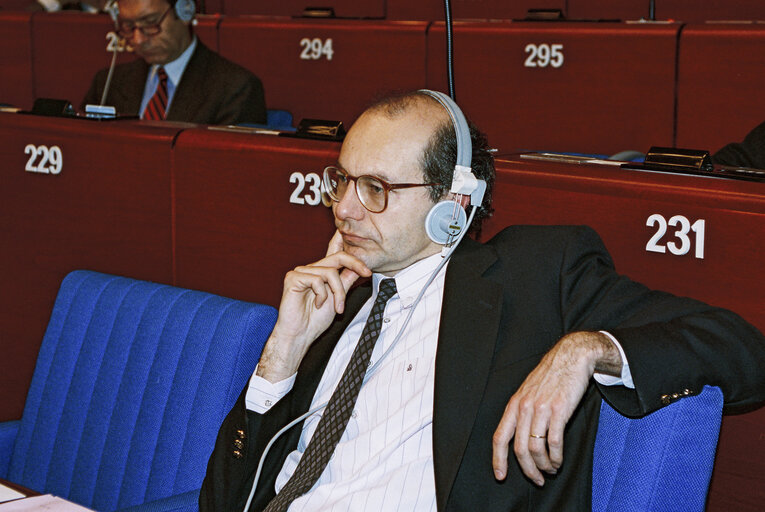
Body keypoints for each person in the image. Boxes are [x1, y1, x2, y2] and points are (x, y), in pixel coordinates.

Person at [200, 90, 765, 511]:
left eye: (375, 189)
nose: (344, 209)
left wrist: (588, 349)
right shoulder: (329, 303)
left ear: (455, 202)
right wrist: (280, 358)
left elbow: (742, 349)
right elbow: (222, 504)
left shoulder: (537, 272)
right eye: (341, 180)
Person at [80, 0, 266, 125]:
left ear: (185, 11)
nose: (137, 40)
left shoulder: (235, 88)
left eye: (151, 23)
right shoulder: (108, 83)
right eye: (128, 26)